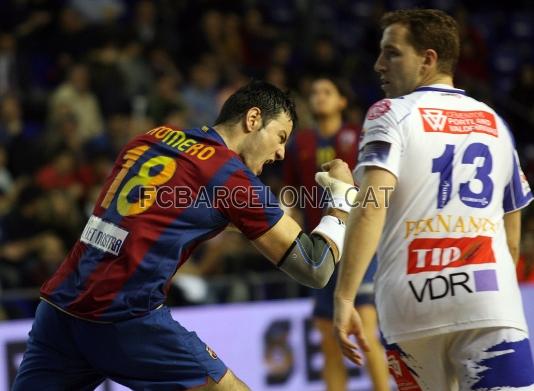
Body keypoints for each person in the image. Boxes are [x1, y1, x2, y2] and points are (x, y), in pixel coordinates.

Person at [13, 81, 355, 391]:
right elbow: (315, 267)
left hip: (60, 307)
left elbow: (163, 214)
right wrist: (341, 197)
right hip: (124, 317)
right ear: (253, 119)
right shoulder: (231, 178)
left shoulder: (151, 138)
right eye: (280, 137)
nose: (281, 153)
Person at [333, 9, 534, 390]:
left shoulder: (389, 113)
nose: (378, 65)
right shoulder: (493, 120)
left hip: (411, 302)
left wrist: (345, 297)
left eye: (392, 53)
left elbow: (372, 204)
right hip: (489, 298)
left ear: (428, 59)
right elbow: (511, 237)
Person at [283, 76, 390, 390]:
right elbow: (290, 191)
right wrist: (286, 215)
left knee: (366, 330)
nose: (319, 97)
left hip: (360, 241)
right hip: (321, 244)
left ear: (343, 101)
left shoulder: (359, 136)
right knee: (328, 338)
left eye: (327, 92)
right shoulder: (300, 142)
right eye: (314, 92)